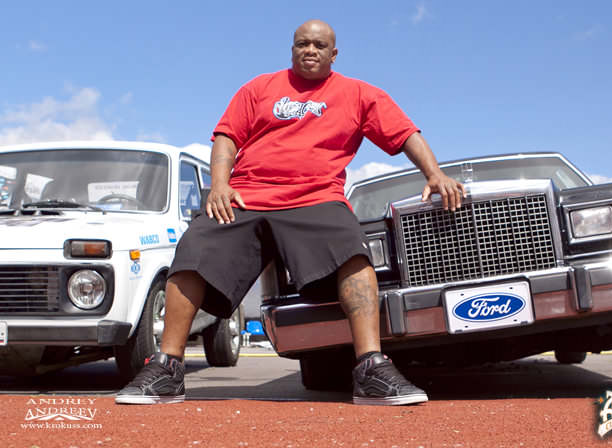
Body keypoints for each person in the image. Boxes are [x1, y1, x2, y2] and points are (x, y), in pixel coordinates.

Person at [116, 19, 465, 406]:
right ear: (292, 48)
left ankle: (371, 367)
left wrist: (434, 174)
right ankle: (167, 367)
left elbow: (405, 134)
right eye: (302, 44)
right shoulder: (259, 88)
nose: (310, 50)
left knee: (355, 253)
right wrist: (220, 184)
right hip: (248, 195)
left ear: (334, 54)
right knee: (193, 248)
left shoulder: (359, 94)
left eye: (319, 45)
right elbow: (226, 137)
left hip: (316, 196)